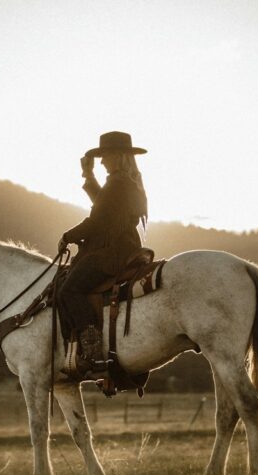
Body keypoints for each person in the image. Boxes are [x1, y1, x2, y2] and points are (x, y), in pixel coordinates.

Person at [58, 131, 148, 379]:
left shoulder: (118, 183)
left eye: (105, 156)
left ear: (118, 156)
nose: (102, 161)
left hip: (114, 251)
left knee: (69, 289)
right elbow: (105, 206)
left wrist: (68, 236)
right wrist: (89, 176)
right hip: (124, 246)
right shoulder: (126, 182)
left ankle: (91, 344)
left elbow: (97, 220)